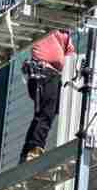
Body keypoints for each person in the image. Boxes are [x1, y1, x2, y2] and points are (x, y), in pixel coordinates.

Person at [20, 29, 76, 163]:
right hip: (43, 71)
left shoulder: (64, 33)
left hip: (52, 74)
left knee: (47, 113)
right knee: (46, 113)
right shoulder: (47, 25)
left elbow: (70, 52)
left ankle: (29, 150)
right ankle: (34, 148)